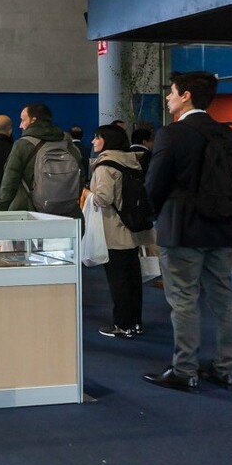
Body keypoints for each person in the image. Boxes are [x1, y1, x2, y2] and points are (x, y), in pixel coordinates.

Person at [143, 71, 232, 393]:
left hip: (183, 227)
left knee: (184, 300)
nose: (168, 97)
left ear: (186, 95)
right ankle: (226, 369)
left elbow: (155, 182)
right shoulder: (227, 134)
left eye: (172, 92)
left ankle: (185, 370)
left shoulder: (173, 134)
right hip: (223, 226)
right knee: (224, 299)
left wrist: (150, 215)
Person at [89, 124, 154, 339]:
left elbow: (104, 198)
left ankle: (122, 324)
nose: (93, 141)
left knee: (118, 280)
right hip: (133, 227)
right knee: (133, 279)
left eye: (97, 137)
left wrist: (88, 195)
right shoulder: (132, 161)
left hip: (114, 230)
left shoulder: (105, 165)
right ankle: (135, 322)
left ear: (107, 140)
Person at [0, 102, 84, 218]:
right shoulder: (69, 146)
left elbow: (9, 181)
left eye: (23, 120)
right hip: (67, 215)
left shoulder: (22, 145)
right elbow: (80, 179)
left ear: (33, 120)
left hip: (30, 213)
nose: (20, 125)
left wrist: (2, 210)